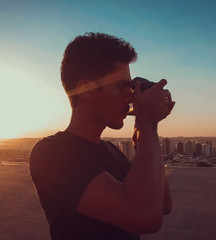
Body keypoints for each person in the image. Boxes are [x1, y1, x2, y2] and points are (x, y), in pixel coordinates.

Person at [29, 32, 175, 240]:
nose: (130, 96)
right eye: (121, 86)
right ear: (87, 90)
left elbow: (163, 205)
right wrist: (148, 124)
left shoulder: (112, 152)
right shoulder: (50, 154)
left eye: (131, 87)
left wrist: (143, 135)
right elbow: (145, 218)